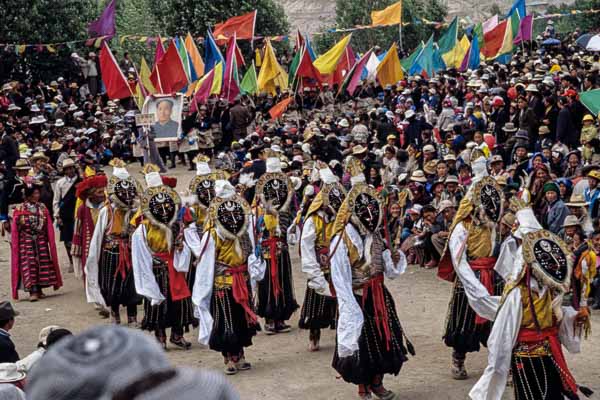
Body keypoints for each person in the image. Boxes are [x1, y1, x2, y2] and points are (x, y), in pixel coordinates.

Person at [470, 202, 593, 400]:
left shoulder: (550, 289)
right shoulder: (518, 294)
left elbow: (556, 316)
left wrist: (574, 316)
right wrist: (498, 366)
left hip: (549, 351)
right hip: (526, 355)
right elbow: (503, 333)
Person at [329, 158, 412, 400]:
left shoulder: (376, 235)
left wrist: (396, 256)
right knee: (362, 343)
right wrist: (349, 307)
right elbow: (340, 279)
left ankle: (378, 382)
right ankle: (362, 386)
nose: (368, 214)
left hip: (378, 295)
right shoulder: (341, 240)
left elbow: (389, 269)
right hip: (357, 296)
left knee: (385, 338)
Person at [437, 154, 504, 380]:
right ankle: (458, 358)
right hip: (471, 277)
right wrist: (473, 284)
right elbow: (458, 259)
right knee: (464, 322)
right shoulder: (462, 226)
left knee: (500, 323)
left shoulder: (496, 225)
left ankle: (503, 364)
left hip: (493, 275)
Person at [188, 179, 264, 375]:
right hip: (222, 284)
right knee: (225, 322)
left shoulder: (244, 232)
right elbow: (205, 266)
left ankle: (240, 354)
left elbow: (250, 255)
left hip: (241, 280)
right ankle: (228, 358)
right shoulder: (212, 234)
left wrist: (253, 273)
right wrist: (203, 290)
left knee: (241, 320)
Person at [131, 165, 194, 349]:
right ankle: (160, 337)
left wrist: (181, 246)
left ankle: (177, 334)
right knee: (158, 303)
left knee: (179, 301)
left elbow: (183, 232)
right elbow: (140, 249)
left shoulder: (176, 218)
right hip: (157, 265)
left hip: (174, 263)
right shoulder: (143, 225)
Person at [84, 160, 142, 325]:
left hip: (130, 251)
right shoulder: (106, 211)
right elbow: (98, 237)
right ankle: (115, 314)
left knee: (132, 285)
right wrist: (93, 257)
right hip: (111, 252)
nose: (127, 196)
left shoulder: (135, 211)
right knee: (111, 286)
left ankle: (132, 317)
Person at [299, 163, 345, 351]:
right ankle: (314, 334)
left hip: (338, 266)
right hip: (321, 265)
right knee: (316, 302)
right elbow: (307, 246)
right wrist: (313, 272)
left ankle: (341, 335)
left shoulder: (341, 219)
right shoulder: (313, 220)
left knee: (341, 303)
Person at [255, 150, 299, 334]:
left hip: (277, 241)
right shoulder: (281, 190)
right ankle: (272, 318)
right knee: (271, 280)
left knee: (278, 279)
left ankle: (277, 318)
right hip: (269, 242)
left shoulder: (268, 190)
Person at [10, 182, 63, 301]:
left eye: (38, 193)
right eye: (35, 193)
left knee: (42, 263)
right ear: (28, 195)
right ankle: (32, 291)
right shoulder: (20, 209)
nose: (38, 195)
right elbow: (16, 228)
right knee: (30, 265)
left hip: (41, 240)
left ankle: (39, 289)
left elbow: (47, 224)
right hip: (26, 241)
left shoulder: (42, 207)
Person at [52, 157, 80, 272]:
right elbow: (56, 200)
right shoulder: (60, 183)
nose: (70, 171)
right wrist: (57, 216)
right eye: (67, 169)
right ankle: (71, 261)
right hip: (65, 214)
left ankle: (80, 260)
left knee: (79, 237)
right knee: (67, 239)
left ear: (74, 168)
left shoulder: (81, 181)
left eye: (71, 168)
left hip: (78, 213)